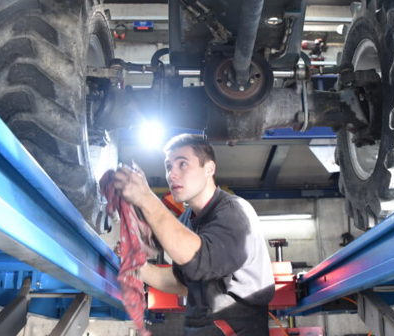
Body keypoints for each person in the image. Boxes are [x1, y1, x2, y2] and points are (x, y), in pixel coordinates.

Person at [112, 133, 275, 335]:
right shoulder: (188, 219)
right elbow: (182, 283)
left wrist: (146, 199)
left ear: (209, 169)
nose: (172, 174)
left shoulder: (235, 212)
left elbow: (199, 261)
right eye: (168, 167)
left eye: (182, 164)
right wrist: (137, 266)